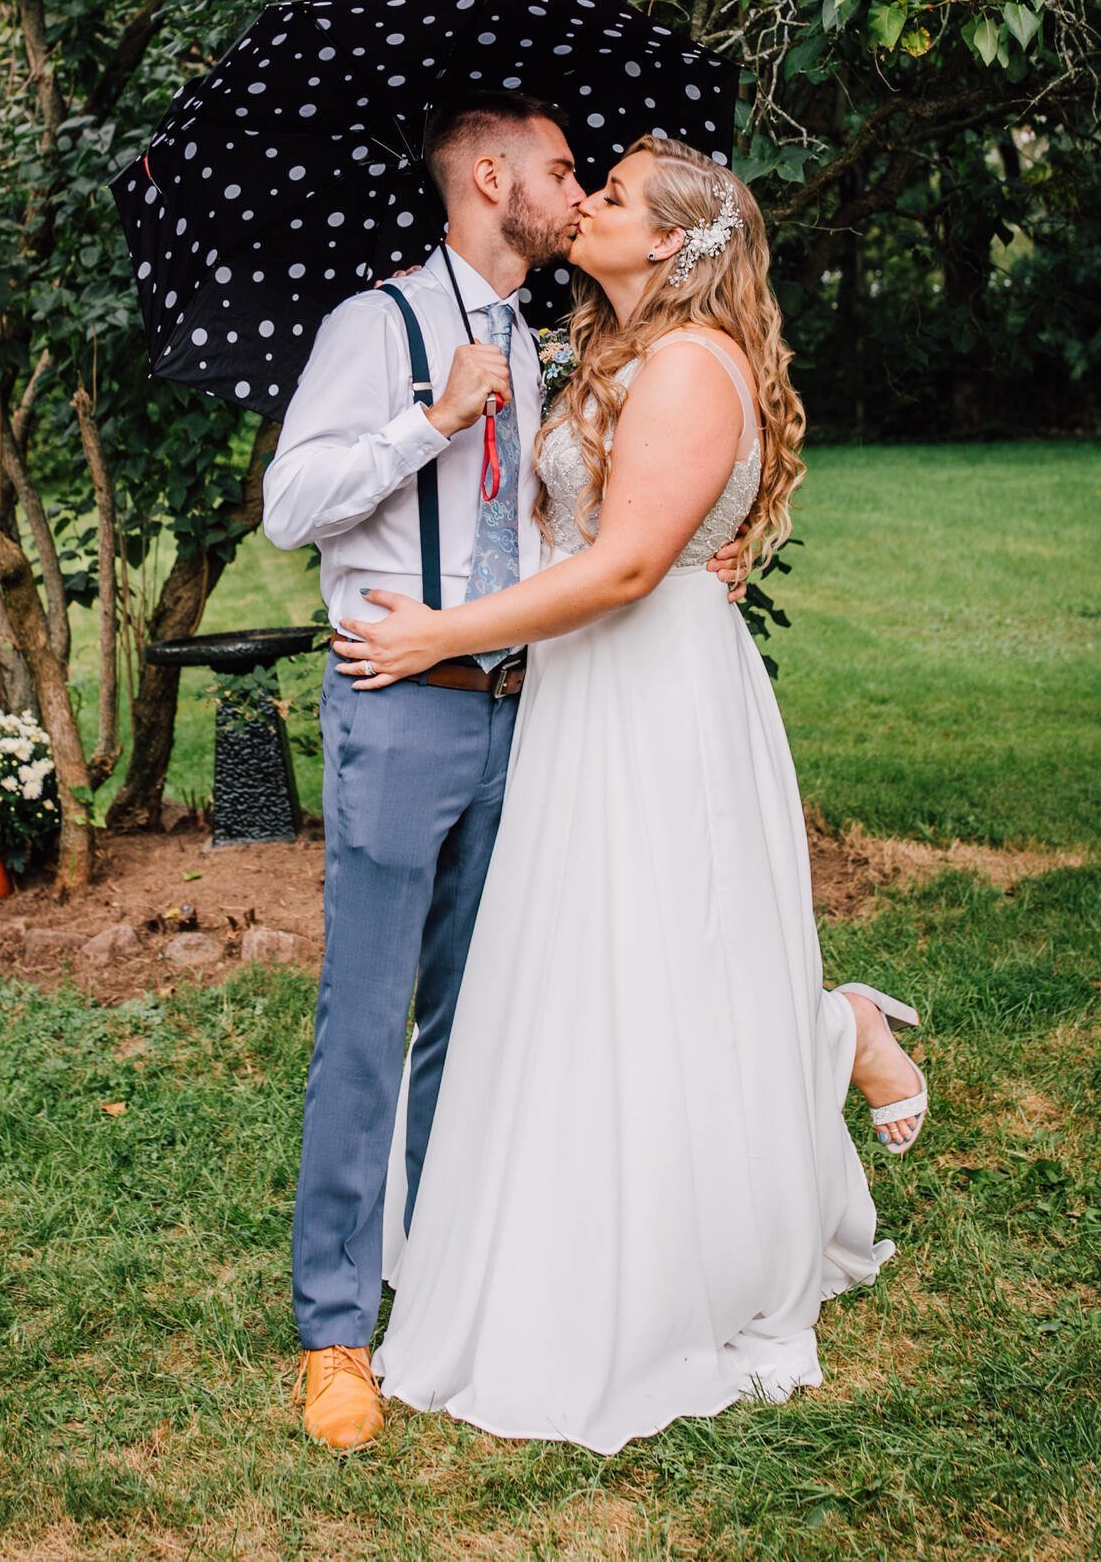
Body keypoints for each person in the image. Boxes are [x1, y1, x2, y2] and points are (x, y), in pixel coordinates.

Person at [332, 134, 929, 1453]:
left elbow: (619, 571)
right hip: (584, 690)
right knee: (599, 962)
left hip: (649, 692)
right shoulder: (607, 354)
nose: (583, 205)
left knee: (660, 954)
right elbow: (587, 538)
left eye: (605, 196)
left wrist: (442, 631)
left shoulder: (686, 366)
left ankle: (816, 1052)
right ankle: (820, 1039)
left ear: (667, 242)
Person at [262, 95, 764, 1452]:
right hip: (402, 699)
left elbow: (584, 531)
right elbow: (288, 503)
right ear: (490, 176)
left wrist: (686, 567)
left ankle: (443, 1272)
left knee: (482, 1022)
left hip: (531, 712)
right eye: (557, 169)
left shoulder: (547, 349)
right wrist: (427, 420)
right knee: (366, 1021)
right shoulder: (378, 326)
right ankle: (334, 1330)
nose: (571, 187)